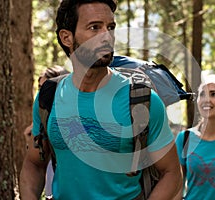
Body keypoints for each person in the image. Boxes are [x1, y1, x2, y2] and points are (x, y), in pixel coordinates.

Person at [20, 0, 182, 199]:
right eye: (94, 27)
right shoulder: (49, 96)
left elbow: (172, 172)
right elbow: (34, 163)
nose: (107, 36)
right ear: (67, 38)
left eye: (111, 27)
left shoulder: (141, 100)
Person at [22, 65, 69, 200]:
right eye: (40, 87)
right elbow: (34, 164)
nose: (42, 93)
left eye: (46, 87)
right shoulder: (40, 116)